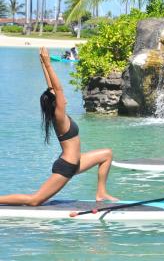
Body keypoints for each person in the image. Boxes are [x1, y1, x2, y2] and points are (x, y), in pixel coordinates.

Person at [0, 47, 117, 206]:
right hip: (67, 166)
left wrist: (43, 63)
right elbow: (59, 89)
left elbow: (52, 88)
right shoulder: (59, 115)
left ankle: (101, 192)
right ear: (56, 103)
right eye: (59, 97)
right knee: (34, 201)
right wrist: (48, 64)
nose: (62, 96)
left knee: (107, 154)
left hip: (77, 161)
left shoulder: (58, 111)